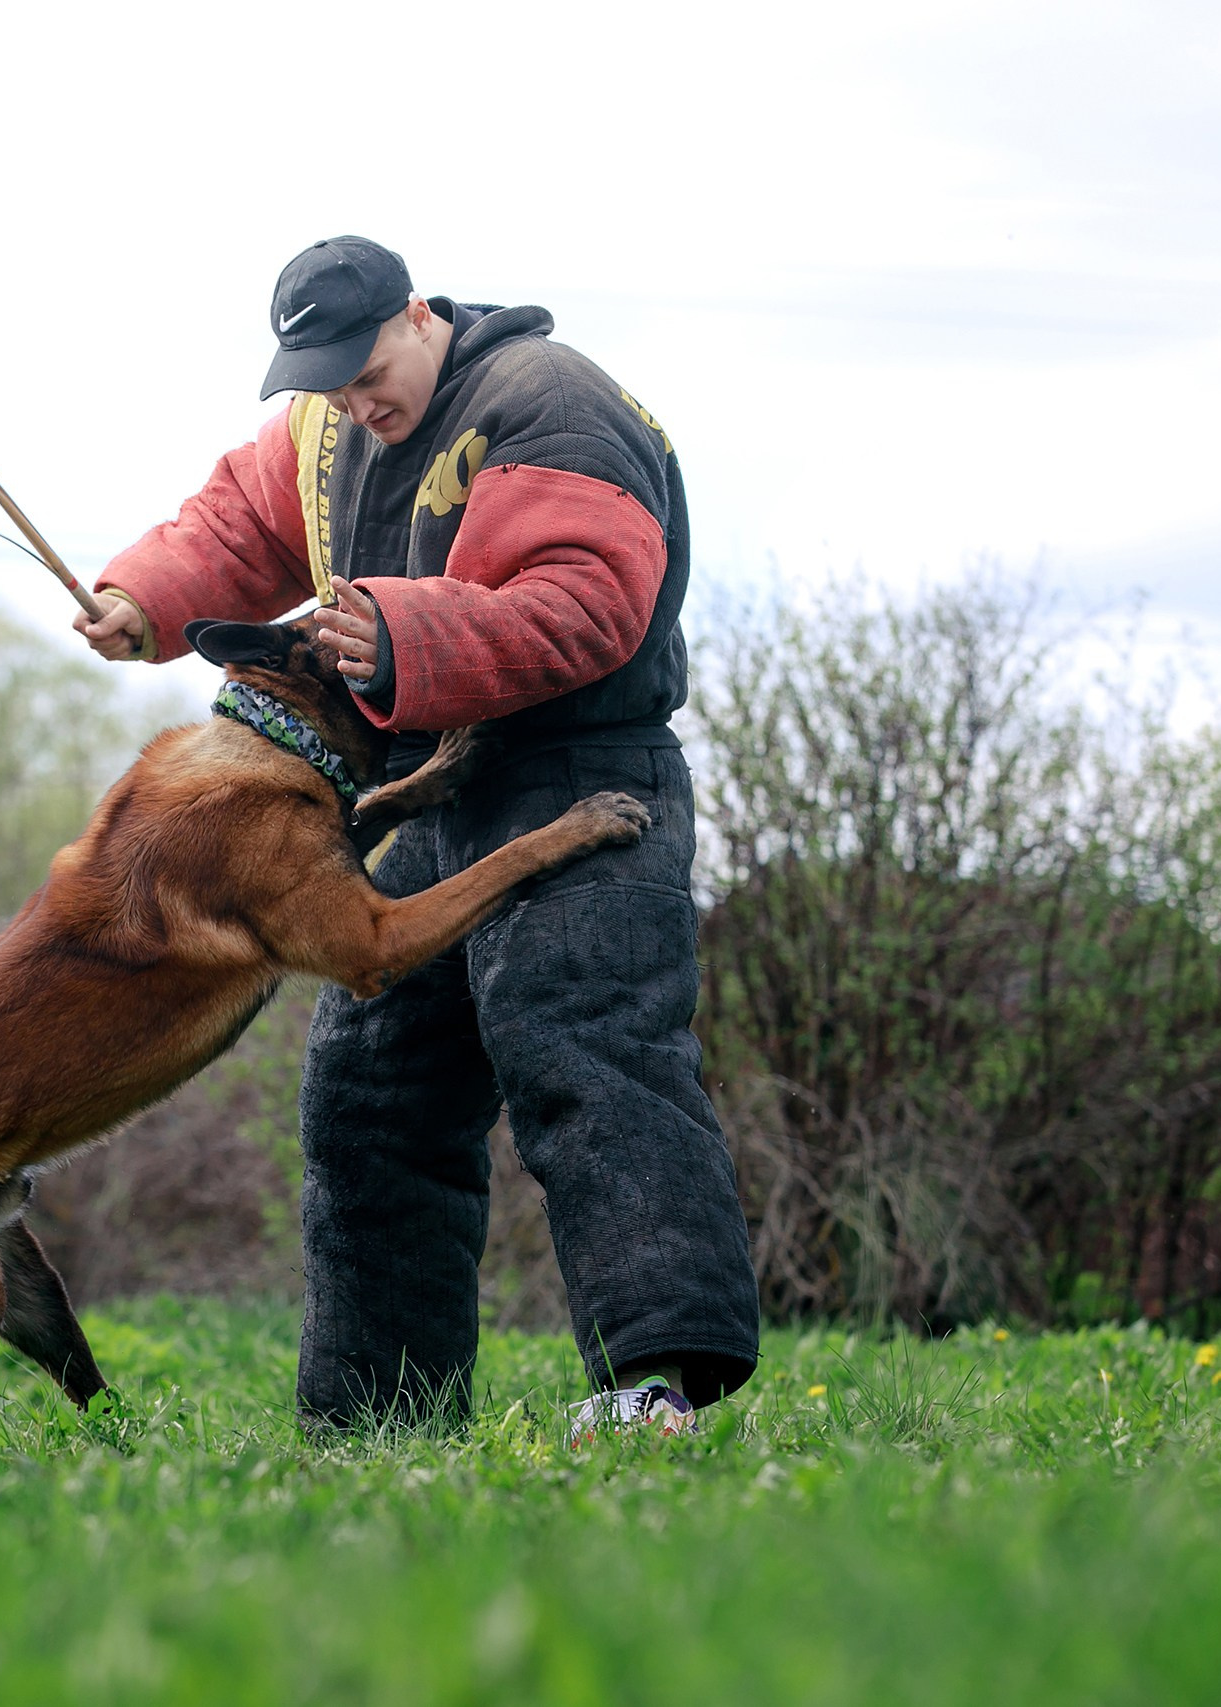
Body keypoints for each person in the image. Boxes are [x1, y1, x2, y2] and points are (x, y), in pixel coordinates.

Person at [75, 236, 760, 1440]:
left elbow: (596, 600)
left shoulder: (546, 402)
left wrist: (399, 638)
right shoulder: (325, 430)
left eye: (361, 368)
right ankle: (377, 1422)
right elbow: (236, 523)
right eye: (322, 381)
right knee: (368, 1098)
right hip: (426, 789)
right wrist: (146, 599)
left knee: (588, 1061)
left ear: (414, 314)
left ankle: (661, 1388)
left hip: (578, 773)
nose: (351, 399)